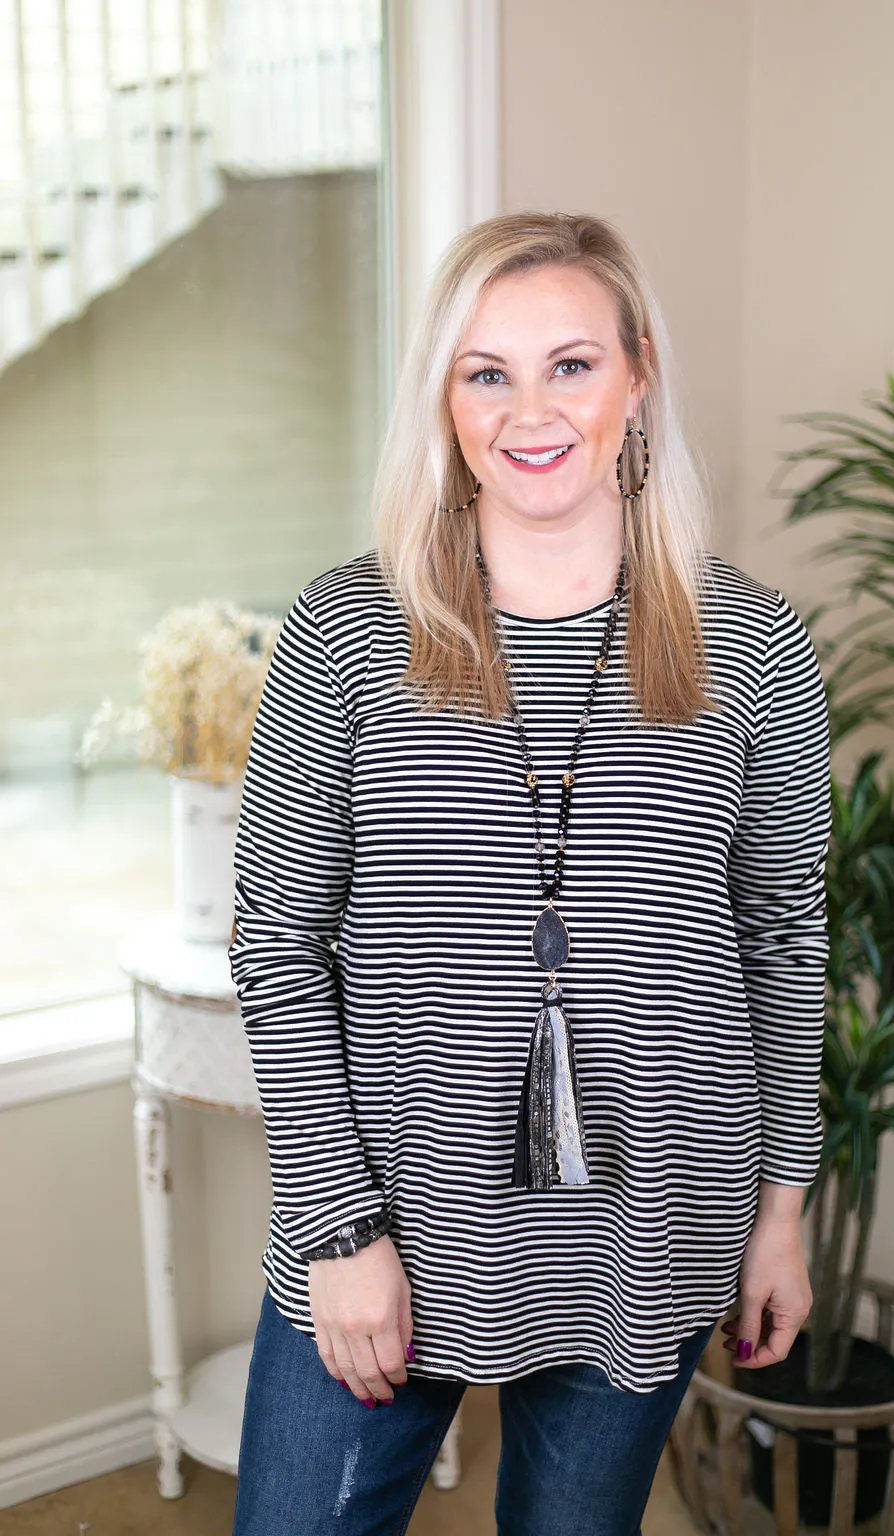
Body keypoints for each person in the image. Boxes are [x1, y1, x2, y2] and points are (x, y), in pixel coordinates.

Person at [227, 210, 831, 1536]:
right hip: (387, 1224)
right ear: (443, 401)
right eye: (484, 372)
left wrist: (781, 1210)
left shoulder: (756, 647)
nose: (528, 411)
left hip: (655, 1221)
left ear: (640, 375)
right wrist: (338, 1234)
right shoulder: (346, 631)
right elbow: (276, 939)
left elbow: (784, 939)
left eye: (570, 364)